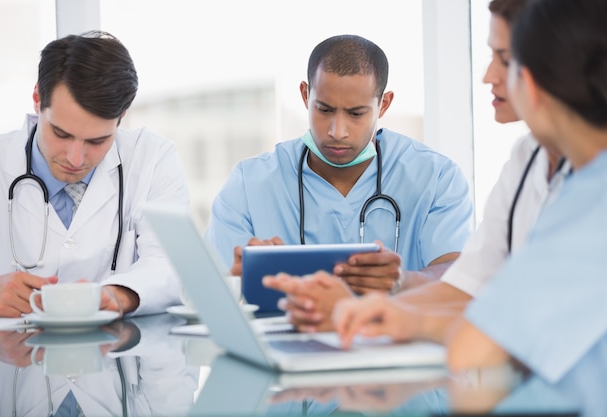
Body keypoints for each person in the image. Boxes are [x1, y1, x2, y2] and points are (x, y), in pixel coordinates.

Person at [268, 0, 568, 335]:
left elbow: (524, 311)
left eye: (505, 60)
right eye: (325, 109)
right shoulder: (524, 160)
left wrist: (377, 311)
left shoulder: (437, 174)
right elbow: (467, 286)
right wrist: (375, 303)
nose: (486, 75)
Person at [205, 34, 473, 303]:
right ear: (305, 95)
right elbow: (210, 286)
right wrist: (245, 275)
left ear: (384, 104)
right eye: (324, 109)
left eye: (356, 114)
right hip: (282, 342)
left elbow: (459, 274)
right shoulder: (249, 183)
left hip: (397, 341)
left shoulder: (437, 177)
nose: (337, 131)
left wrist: (401, 280)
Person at [444, 0, 607, 384]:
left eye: (505, 59)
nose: (488, 75)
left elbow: (484, 342)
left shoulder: (588, 200)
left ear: (531, 82)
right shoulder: (532, 160)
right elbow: (479, 294)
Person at [0, 31, 191, 318]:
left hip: (115, 356)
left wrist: (116, 295)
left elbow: (174, 264)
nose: (75, 159)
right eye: (61, 133)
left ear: (122, 116)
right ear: (37, 99)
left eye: (97, 141)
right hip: (7, 360)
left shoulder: (151, 159)